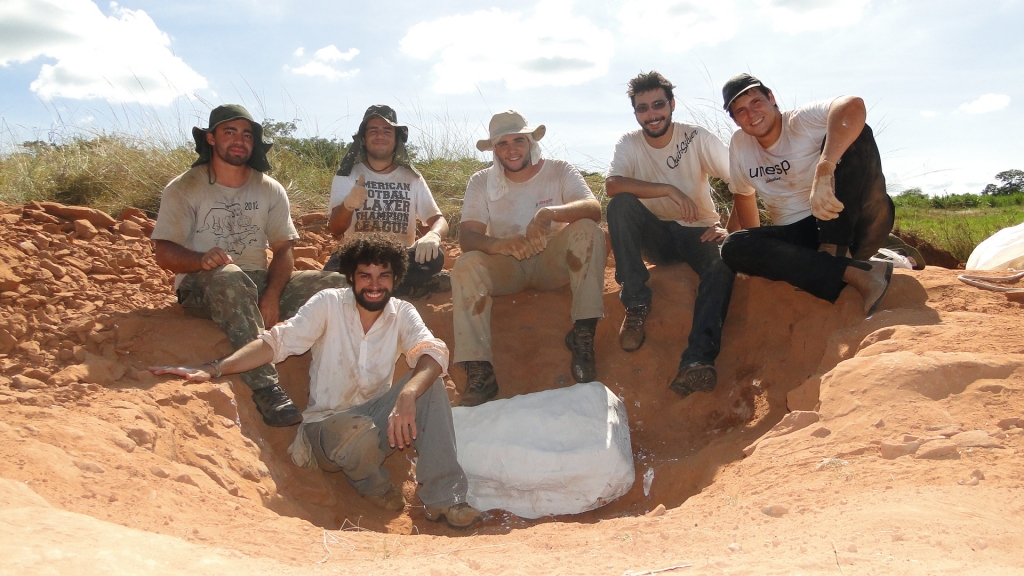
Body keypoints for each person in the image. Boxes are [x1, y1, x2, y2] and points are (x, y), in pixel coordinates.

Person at [150, 233, 482, 529]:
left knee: (428, 383)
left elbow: (431, 351)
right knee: (353, 432)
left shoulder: (402, 312)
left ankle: (445, 499)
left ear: (395, 279)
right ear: (351, 277)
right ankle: (375, 486)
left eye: (384, 276)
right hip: (326, 429)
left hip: (376, 424)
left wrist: (408, 394)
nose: (374, 284)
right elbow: (276, 343)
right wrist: (215, 368)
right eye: (365, 276)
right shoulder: (328, 303)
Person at [152, 104, 346, 428]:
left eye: (247, 134)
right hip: (205, 284)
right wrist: (200, 260)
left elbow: (283, 250)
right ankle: (266, 387)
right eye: (230, 132)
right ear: (211, 138)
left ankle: (342, 377)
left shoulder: (269, 188)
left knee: (339, 283)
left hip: (257, 282)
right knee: (230, 278)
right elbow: (163, 252)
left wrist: (272, 295)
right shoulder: (185, 187)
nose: (239, 140)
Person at [451, 111, 605, 406]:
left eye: (518, 140)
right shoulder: (481, 181)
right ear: (494, 150)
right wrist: (499, 245)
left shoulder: (559, 170)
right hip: (508, 267)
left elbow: (594, 208)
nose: (512, 150)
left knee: (588, 230)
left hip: (553, 262)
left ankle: (583, 333)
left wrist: (548, 214)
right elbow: (468, 237)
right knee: (466, 264)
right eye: (503, 144)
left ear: (531, 141)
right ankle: (479, 369)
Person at [605, 71, 735, 398]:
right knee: (621, 205)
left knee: (721, 265)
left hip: (698, 233)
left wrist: (729, 229)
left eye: (658, 105)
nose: (652, 114)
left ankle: (697, 360)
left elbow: (741, 180)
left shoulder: (697, 137)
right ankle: (635, 305)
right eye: (643, 108)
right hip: (658, 239)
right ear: (636, 113)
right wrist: (668, 189)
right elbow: (612, 185)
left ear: (672, 104)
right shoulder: (629, 144)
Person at [719, 73, 895, 315]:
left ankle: (835, 252)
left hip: (850, 223)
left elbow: (852, 105)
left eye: (756, 102)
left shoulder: (801, 120)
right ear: (736, 120)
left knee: (857, 134)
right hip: (803, 240)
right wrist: (752, 247)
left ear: (771, 98)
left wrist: (824, 169)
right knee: (733, 246)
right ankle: (853, 272)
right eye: (740, 111)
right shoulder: (739, 144)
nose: (751, 114)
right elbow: (744, 197)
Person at [325, 105, 450, 300]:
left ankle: (368, 289)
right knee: (330, 277)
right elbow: (335, 227)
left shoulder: (412, 177)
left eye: (387, 131)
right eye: (373, 130)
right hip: (357, 254)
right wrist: (348, 206)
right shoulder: (347, 175)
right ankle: (406, 288)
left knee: (434, 259)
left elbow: (439, 220)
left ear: (396, 138)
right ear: (363, 138)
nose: (380, 135)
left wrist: (433, 235)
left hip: (399, 257)